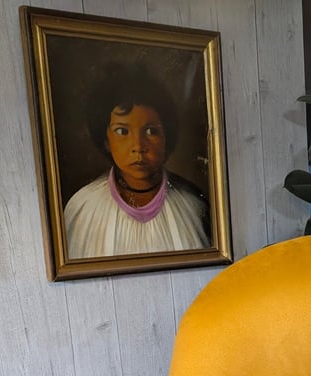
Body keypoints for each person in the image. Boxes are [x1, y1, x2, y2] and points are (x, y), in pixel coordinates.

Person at [64, 63, 210, 258]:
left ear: (167, 137)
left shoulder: (193, 206)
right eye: (122, 132)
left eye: (151, 131)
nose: (138, 146)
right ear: (106, 140)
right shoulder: (82, 208)